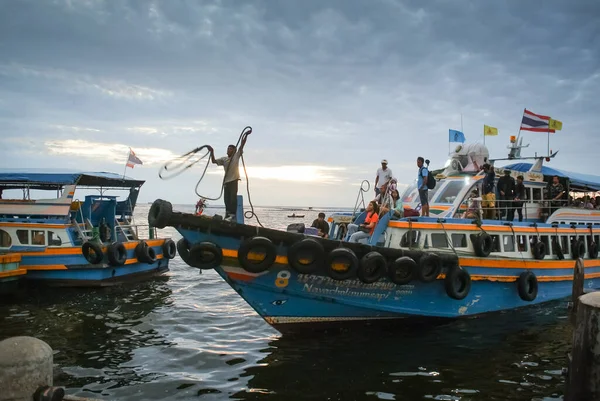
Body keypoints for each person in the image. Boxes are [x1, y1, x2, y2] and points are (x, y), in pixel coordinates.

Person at [208, 135, 248, 220]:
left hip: (234, 180)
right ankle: (228, 214)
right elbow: (214, 161)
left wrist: (246, 135)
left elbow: (242, 145)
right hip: (226, 182)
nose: (228, 150)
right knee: (226, 199)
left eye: (230, 149)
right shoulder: (224, 159)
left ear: (234, 151)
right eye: (228, 149)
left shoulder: (236, 157)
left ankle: (233, 214)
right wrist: (212, 152)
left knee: (233, 198)